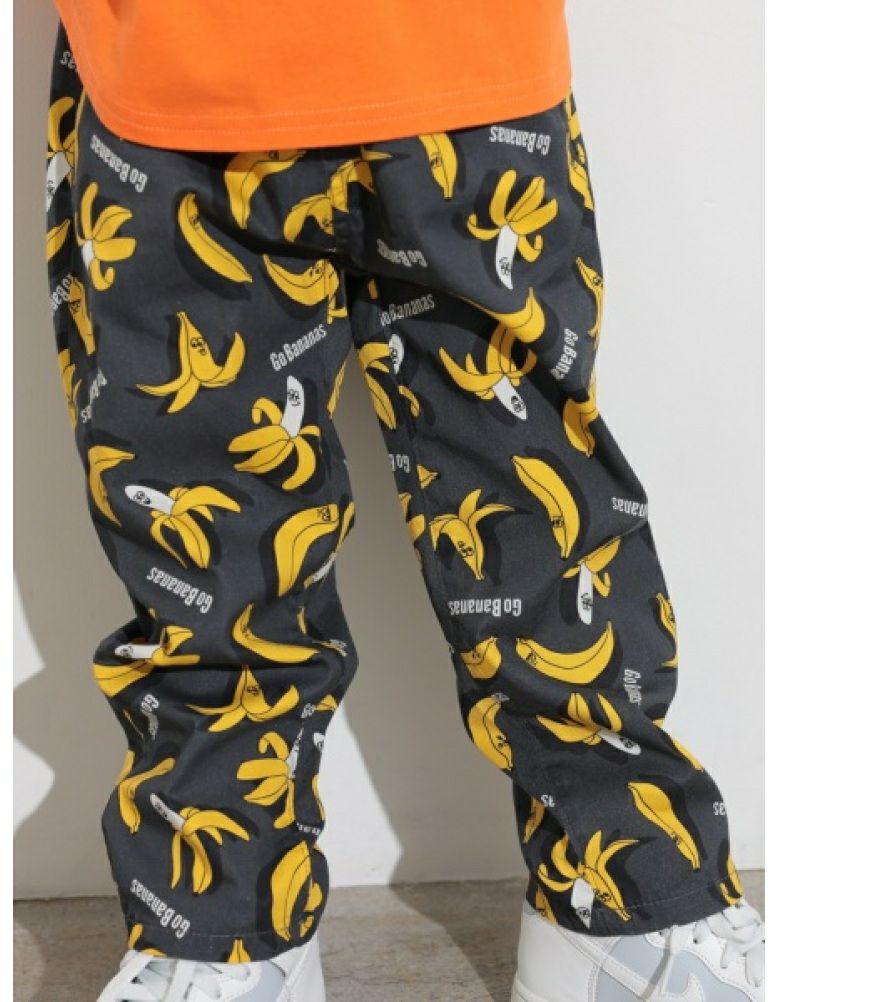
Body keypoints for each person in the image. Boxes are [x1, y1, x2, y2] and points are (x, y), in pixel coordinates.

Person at [43, 2, 765, 999]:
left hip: (470, 71)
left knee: (543, 524)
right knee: (203, 555)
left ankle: (625, 910)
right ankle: (219, 935)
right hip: (169, 88)